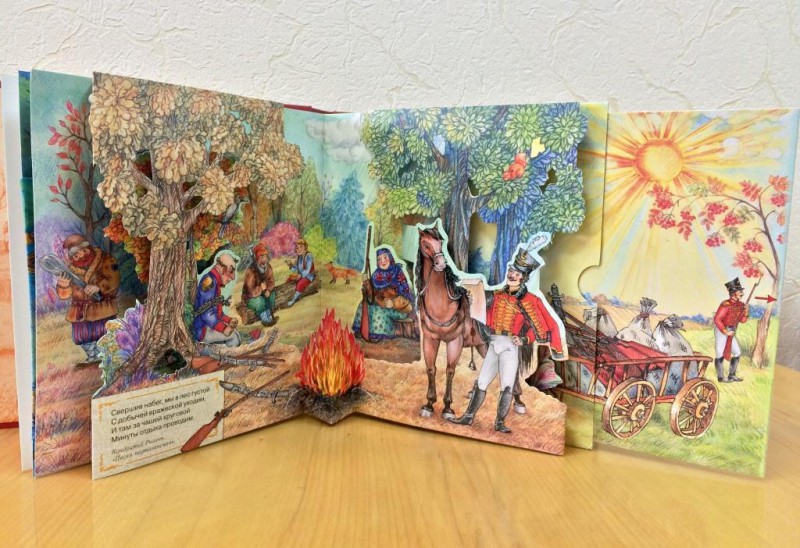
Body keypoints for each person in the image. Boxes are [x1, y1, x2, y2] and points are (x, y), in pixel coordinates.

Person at [448, 242, 564, 434]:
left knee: (507, 385)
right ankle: (468, 417)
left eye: (517, 274)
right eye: (511, 271)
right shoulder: (497, 295)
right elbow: (483, 310)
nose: (512, 275)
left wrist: (524, 340)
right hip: (494, 344)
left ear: (523, 278)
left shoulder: (529, 301)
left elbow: (538, 328)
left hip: (510, 347)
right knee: (482, 382)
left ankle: (500, 422)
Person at [55, 234, 119, 365]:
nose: (79, 256)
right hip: (80, 310)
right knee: (82, 335)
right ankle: (92, 357)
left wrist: (98, 287)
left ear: (86, 248)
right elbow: (64, 295)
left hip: (101, 307)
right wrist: (64, 285)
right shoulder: (70, 269)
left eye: (80, 252)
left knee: (102, 331)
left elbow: (114, 278)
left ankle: (104, 355)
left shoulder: (104, 259)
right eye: (74, 255)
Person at [352, 247, 415, 340]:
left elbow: (405, 296)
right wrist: (367, 283)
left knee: (378, 311)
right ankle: (361, 330)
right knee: (364, 305)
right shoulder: (376, 274)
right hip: (381, 303)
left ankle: (381, 335)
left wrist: (393, 303)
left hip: (398, 308)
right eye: (379, 259)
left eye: (385, 257)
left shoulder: (397, 272)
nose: (383, 261)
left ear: (390, 258)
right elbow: (372, 294)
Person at [193, 252, 240, 347]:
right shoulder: (209, 282)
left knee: (237, 335)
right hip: (202, 330)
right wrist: (223, 328)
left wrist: (229, 320)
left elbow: (218, 313)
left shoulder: (214, 282)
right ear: (222, 270)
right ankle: (220, 353)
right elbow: (207, 314)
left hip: (208, 326)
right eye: (229, 275)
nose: (230, 279)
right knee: (234, 338)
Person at [713, 277, 748, 383]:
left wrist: (746, 312)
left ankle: (731, 375)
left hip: (732, 331)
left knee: (737, 352)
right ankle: (720, 377)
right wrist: (724, 331)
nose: (742, 293)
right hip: (722, 330)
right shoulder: (725, 305)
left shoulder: (741, 305)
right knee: (719, 353)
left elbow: (742, 320)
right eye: (739, 291)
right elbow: (717, 319)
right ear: (733, 293)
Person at [242, 243, 277, 326]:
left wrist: (268, 290)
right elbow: (250, 289)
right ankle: (265, 318)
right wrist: (261, 289)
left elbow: (271, 281)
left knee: (272, 295)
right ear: (257, 258)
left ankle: (269, 315)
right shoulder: (251, 270)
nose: (264, 259)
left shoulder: (268, 267)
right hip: (251, 297)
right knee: (260, 301)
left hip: (263, 292)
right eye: (262, 256)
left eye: (265, 256)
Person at [286, 239, 315, 307]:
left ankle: (293, 300)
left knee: (300, 284)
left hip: (308, 276)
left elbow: (308, 270)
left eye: (301, 247)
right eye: (297, 247)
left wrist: (301, 275)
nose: (298, 249)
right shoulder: (299, 257)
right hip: (300, 275)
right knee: (289, 279)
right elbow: (296, 269)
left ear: (305, 247)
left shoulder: (309, 256)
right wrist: (290, 266)